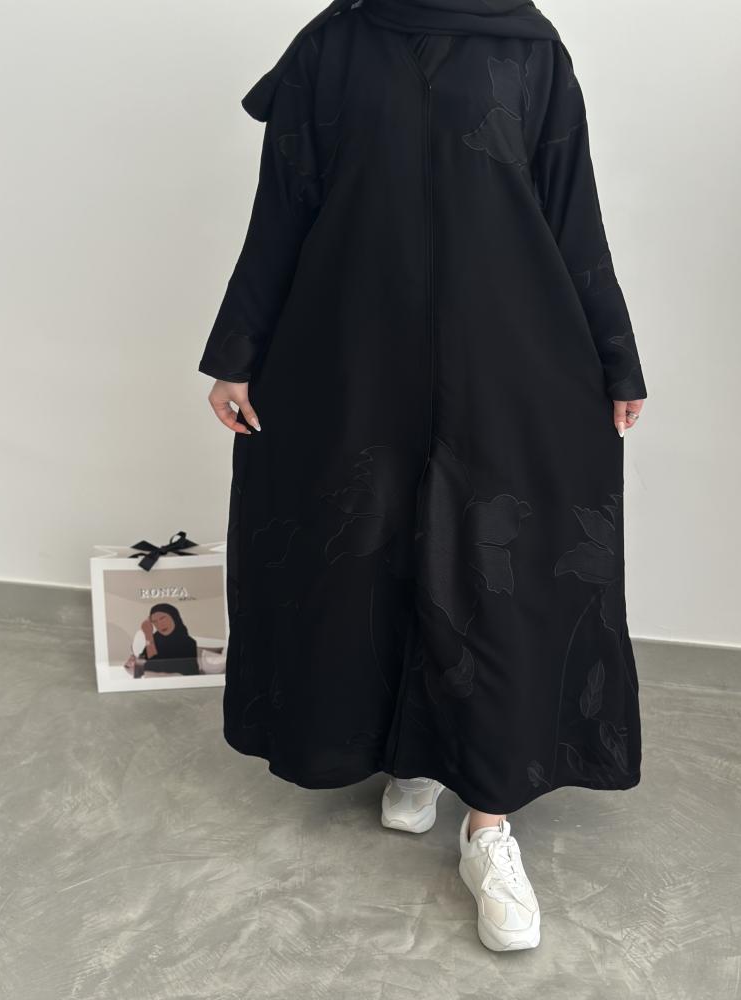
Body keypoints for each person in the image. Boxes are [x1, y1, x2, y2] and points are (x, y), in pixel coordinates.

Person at [197, 0, 647, 952]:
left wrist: (616, 356)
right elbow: (284, 206)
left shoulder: (530, 49)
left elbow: (572, 208)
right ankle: (413, 752)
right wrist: (237, 352)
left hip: (510, 354)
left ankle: (489, 824)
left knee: (493, 571)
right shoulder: (333, 45)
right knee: (371, 553)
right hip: (352, 348)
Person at [124, 603, 200, 677]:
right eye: (155, 621)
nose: (160, 624)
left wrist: (142, 670)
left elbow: (185, 674)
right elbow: (141, 664)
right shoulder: (155, 638)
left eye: (163, 618)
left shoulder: (188, 643)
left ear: (174, 617)